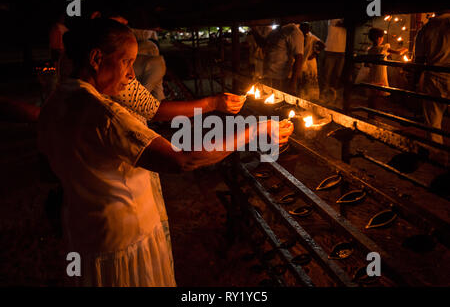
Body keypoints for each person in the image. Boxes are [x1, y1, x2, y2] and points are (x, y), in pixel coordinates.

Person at [37, 18, 293, 287]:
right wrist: (252, 132)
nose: (132, 75)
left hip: (83, 235)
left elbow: (46, 170)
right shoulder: (108, 116)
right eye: (127, 62)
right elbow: (183, 160)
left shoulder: (54, 103)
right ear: (96, 58)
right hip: (124, 240)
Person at [414, 10, 450, 145]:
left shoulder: (426, 29)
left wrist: (415, 82)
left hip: (434, 76)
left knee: (433, 121)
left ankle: (437, 154)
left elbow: (419, 59)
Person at [365, 28, 407, 111]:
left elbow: (367, 64)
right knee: (378, 93)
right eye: (382, 37)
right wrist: (405, 49)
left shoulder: (370, 49)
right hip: (380, 74)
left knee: (373, 94)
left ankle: (370, 113)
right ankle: (374, 114)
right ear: (379, 38)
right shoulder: (382, 48)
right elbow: (398, 52)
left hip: (373, 73)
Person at [257, 20, 304, 93]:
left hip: (282, 79)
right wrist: (253, 29)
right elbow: (263, 44)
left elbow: (299, 58)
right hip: (268, 77)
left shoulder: (293, 31)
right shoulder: (276, 31)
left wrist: (292, 83)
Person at [297, 23, 325, 101]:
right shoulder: (299, 36)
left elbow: (322, 44)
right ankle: (302, 97)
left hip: (310, 63)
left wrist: (315, 54)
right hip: (302, 63)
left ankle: (313, 99)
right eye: (303, 28)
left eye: (307, 28)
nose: (306, 30)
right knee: (302, 82)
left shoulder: (311, 37)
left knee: (310, 81)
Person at [321, 19, 346, 102]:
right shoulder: (333, 19)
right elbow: (341, 23)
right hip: (331, 49)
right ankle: (323, 94)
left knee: (337, 75)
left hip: (342, 50)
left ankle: (332, 95)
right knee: (327, 74)